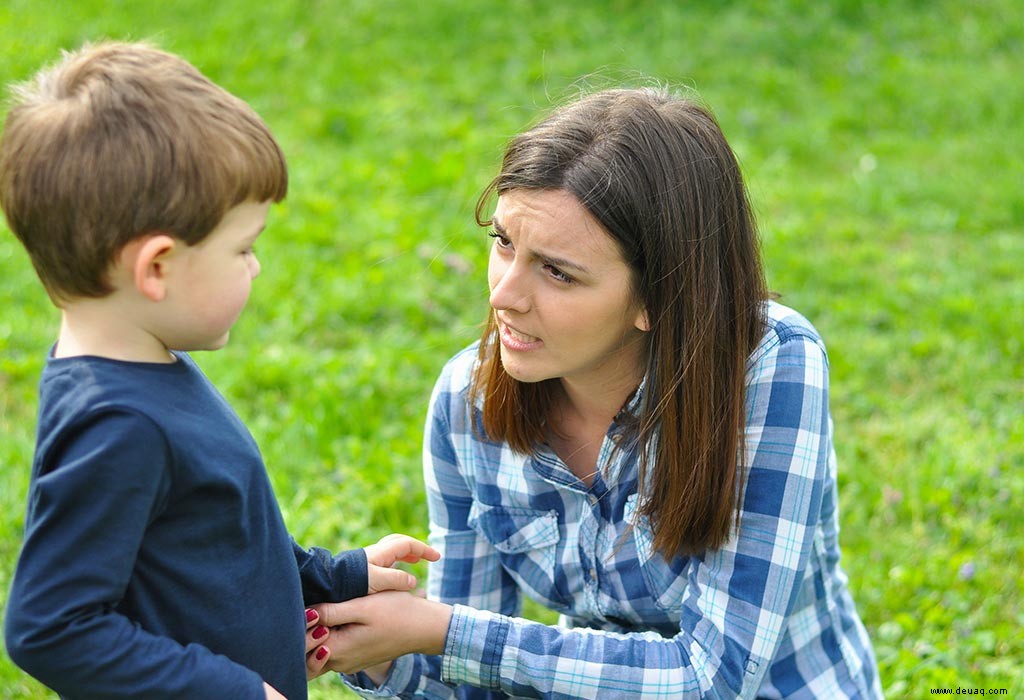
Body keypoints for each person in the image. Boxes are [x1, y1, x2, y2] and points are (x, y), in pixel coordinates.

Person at [303, 86, 883, 698]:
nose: (503, 294)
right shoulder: (467, 400)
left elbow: (713, 678)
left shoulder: (767, 367)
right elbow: (467, 680)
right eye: (503, 242)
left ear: (659, 297)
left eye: (557, 271)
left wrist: (444, 633)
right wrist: (379, 654)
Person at [0, 42, 438, 700]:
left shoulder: (143, 363)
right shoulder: (118, 427)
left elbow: (212, 541)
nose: (256, 267)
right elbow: (50, 627)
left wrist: (333, 577)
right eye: (243, 248)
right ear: (157, 268)